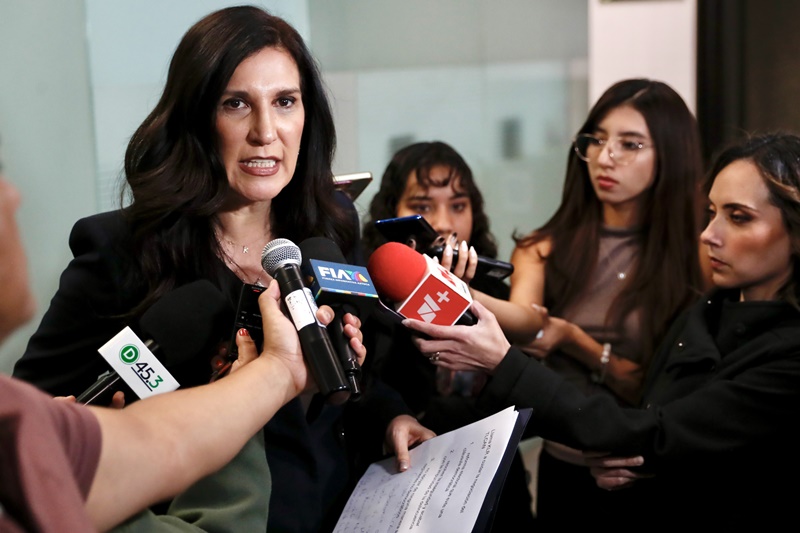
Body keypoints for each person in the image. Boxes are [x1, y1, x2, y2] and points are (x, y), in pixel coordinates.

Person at [11, 6, 431, 532]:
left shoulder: (329, 228)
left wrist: (390, 416)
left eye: (285, 102)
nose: (265, 132)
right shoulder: (120, 250)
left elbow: (360, 379)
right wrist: (107, 433)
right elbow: (29, 418)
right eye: (236, 104)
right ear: (196, 117)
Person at [404, 131, 800, 527]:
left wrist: (504, 359)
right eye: (711, 212)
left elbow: (657, 433)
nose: (709, 234)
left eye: (739, 217)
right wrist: (633, 461)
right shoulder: (709, 309)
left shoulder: (787, 352)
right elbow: (654, 425)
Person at [0, 170, 368, 531]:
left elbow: (152, 439)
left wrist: (81, 444)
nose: (12, 196)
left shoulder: (328, 226)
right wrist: (274, 372)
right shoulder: (122, 246)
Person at [446, 79, 706, 525]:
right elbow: (527, 321)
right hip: (564, 467)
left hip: (651, 471)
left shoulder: (697, 255)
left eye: (630, 144)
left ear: (671, 154)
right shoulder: (543, 247)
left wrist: (573, 339)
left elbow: (670, 388)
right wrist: (458, 290)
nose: (606, 157)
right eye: (597, 140)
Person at [360, 141, 535, 530]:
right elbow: (368, 389)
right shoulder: (369, 294)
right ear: (391, 212)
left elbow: (528, 388)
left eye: (458, 206)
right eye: (422, 206)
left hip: (495, 482)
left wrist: (464, 294)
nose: (443, 222)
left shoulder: (494, 294)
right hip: (404, 479)